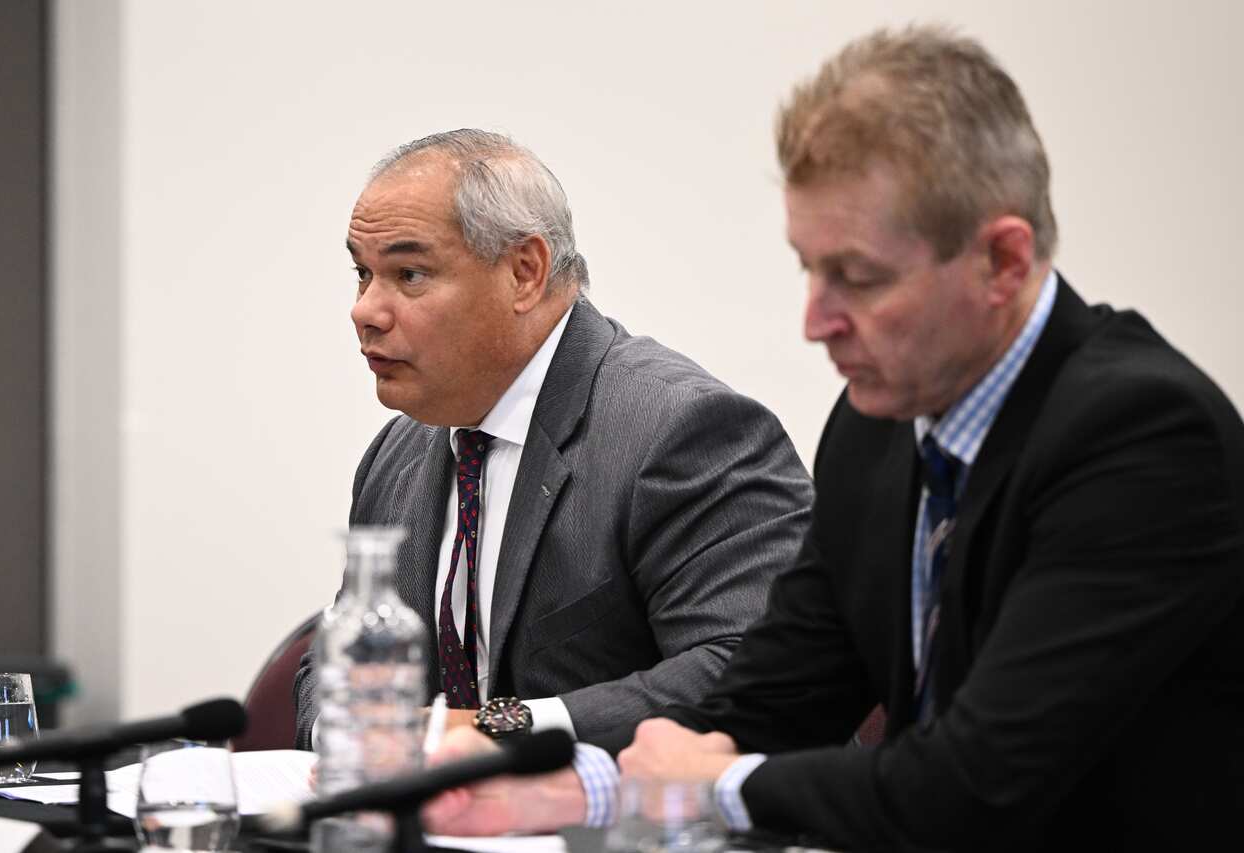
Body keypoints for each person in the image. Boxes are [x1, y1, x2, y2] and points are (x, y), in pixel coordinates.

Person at [421, 26, 1244, 851]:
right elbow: (773, 696)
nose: (815, 322)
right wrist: (567, 788)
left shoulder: (1145, 438)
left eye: (858, 277)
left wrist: (719, 784)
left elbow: (981, 780)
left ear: (1002, 261)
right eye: (808, 268)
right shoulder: (876, 425)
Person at [293, 130, 813, 748]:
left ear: (525, 273)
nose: (366, 311)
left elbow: (752, 671)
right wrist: (351, 734)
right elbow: (334, 663)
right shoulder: (396, 455)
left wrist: (501, 730)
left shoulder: (683, 430)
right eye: (363, 273)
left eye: (409, 274)